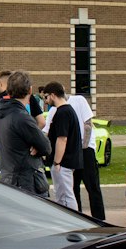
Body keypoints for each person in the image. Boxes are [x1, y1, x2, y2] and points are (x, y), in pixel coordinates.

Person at [0, 71, 51, 197]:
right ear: (30, 90)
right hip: (26, 182)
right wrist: (37, 145)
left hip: (9, 178)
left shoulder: (3, 112)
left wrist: (36, 145)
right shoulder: (22, 117)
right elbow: (46, 147)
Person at [41, 81, 82, 210]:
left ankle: (72, 223)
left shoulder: (63, 112)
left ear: (53, 95)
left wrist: (57, 162)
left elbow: (62, 139)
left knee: (65, 195)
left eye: (46, 97)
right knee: (62, 195)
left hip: (63, 162)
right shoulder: (67, 111)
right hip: (67, 161)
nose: (46, 101)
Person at [68, 87, 106, 223]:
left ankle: (99, 219)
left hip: (85, 150)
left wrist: (83, 146)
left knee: (92, 186)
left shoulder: (79, 100)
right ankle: (78, 218)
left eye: (47, 98)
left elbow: (88, 125)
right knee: (73, 187)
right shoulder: (55, 109)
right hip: (72, 150)